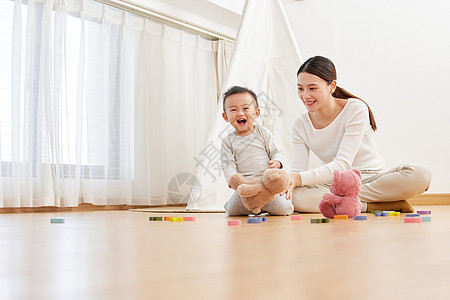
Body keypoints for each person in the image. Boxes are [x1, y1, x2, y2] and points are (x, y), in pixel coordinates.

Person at [285, 56, 431, 213]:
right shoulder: (300, 125)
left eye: (312, 88)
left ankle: (345, 202)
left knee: (421, 175)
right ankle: (372, 205)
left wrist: (297, 178)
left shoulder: (355, 109)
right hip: (334, 183)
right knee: (296, 196)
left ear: (332, 86)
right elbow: (297, 171)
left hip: (371, 178)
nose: (305, 96)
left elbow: (342, 163)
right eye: (300, 89)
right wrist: (291, 182)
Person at [221, 86, 294, 216]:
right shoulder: (228, 141)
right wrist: (236, 183)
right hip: (245, 189)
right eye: (233, 110)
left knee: (285, 209)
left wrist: (277, 161)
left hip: (267, 186)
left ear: (256, 113)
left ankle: (266, 206)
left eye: (245, 108)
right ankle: (250, 205)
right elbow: (228, 165)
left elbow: (277, 151)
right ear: (225, 116)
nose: (240, 113)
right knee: (231, 211)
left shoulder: (262, 133)